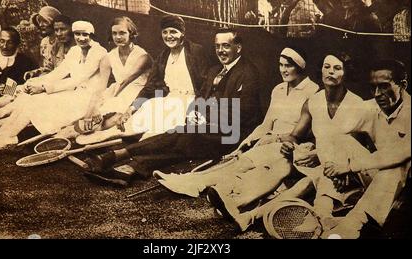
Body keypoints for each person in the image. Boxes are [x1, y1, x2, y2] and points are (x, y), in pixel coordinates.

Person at [206, 51, 374, 232]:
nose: (331, 72)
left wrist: (321, 156)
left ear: (346, 73)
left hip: (347, 167)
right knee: (283, 163)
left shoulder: (356, 104)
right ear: (321, 70)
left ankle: (249, 217)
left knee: (308, 181)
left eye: (337, 68)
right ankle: (235, 203)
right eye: (327, 67)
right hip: (321, 159)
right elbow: (296, 135)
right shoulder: (313, 102)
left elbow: (351, 146)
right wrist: (289, 144)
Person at [81, 27, 263, 187]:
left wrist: (206, 118)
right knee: (184, 139)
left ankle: (119, 155)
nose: (221, 51)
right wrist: (195, 114)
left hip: (232, 133)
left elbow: (243, 113)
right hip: (208, 128)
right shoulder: (215, 70)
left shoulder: (248, 73)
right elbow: (200, 97)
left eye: (226, 46)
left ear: (238, 48)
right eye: (217, 46)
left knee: (185, 135)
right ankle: (132, 167)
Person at [155, 47, 319, 198]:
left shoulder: (313, 91)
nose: (283, 70)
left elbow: (308, 133)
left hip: (290, 146)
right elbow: (266, 124)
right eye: (281, 65)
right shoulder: (279, 89)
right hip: (267, 140)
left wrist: (274, 140)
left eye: (288, 66)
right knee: (234, 158)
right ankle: (188, 179)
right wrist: (245, 143)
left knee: (241, 164)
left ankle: (195, 184)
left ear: (300, 67)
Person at [75, 15, 209, 144]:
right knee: (144, 111)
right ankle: (107, 135)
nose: (169, 36)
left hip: (192, 100)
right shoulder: (163, 57)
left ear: (182, 34)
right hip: (170, 97)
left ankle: (137, 145)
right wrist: (131, 109)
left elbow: (205, 84)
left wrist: (198, 107)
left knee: (156, 131)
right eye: (165, 32)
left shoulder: (195, 51)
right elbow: (151, 86)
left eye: (173, 32)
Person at [0, 20, 107, 149]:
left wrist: (43, 87)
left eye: (85, 34)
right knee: (23, 95)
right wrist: (36, 81)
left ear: (92, 35)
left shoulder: (98, 52)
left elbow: (77, 79)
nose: (81, 38)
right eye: (77, 34)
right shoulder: (68, 49)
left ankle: (0, 130)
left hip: (84, 97)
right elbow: (57, 71)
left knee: (31, 101)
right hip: (64, 88)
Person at [318, 60, 410, 239]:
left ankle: (350, 226)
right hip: (382, 182)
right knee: (342, 140)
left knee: (397, 165)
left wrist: (349, 166)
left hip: (406, 187)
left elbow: (399, 154)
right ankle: (323, 214)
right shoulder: (369, 107)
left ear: (403, 85)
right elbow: (332, 135)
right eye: (373, 88)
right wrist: (335, 164)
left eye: (384, 87)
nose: (377, 94)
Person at [24, 14, 76, 79]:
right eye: (56, 30)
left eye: (63, 29)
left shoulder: (80, 48)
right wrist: (35, 73)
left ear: (71, 29)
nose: (59, 34)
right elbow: (49, 68)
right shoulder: (56, 46)